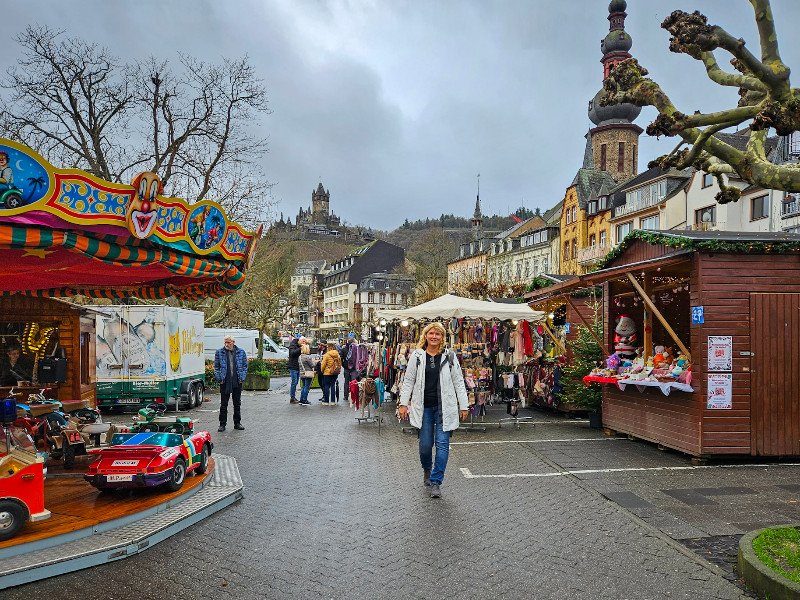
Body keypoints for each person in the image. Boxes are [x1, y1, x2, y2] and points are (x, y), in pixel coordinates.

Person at [398, 322, 469, 499]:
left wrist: (464, 405)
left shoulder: (450, 357)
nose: (434, 336)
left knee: (443, 445)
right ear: (426, 335)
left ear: (442, 337)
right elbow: (409, 380)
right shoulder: (417, 356)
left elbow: (459, 382)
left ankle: (436, 481)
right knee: (425, 445)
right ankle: (427, 469)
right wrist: (403, 403)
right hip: (424, 408)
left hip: (445, 408)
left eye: (438, 334)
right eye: (431, 333)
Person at [214, 335, 247, 432]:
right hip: (225, 381)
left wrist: (242, 377)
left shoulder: (241, 352)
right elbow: (216, 367)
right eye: (225, 342)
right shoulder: (219, 352)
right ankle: (222, 424)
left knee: (237, 403)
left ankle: (237, 423)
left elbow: (245, 366)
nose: (226, 344)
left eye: (228, 342)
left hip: (237, 380)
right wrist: (219, 378)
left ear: (233, 342)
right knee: (224, 404)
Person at [339, 332, 357, 403]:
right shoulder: (356, 348)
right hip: (354, 368)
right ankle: (354, 395)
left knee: (346, 382)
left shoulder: (344, 349)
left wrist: (343, 365)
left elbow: (341, 358)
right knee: (354, 382)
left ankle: (346, 396)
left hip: (346, 368)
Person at [298, 338, 317, 406]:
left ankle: (301, 400)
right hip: (308, 374)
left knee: (303, 387)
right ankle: (305, 400)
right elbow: (312, 365)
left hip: (302, 373)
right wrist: (315, 361)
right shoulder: (307, 357)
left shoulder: (300, 357)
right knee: (306, 387)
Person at [287, 334, 302, 404]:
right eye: (302, 342)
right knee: (294, 382)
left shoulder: (298, 345)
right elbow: (292, 353)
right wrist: (300, 348)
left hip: (297, 366)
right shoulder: (293, 345)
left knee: (295, 382)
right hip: (293, 367)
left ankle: (293, 397)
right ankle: (292, 398)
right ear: (299, 341)